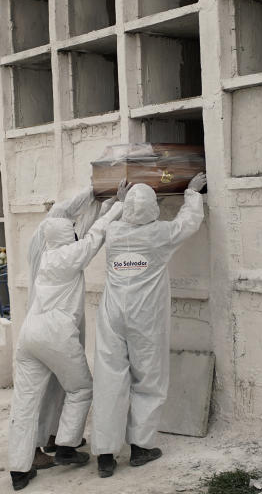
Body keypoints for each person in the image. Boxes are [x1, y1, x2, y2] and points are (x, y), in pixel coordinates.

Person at [7, 181, 130, 491]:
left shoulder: (46, 255)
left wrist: (101, 201)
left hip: (29, 335)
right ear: (68, 235)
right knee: (81, 389)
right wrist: (119, 203)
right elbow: (97, 233)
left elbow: (85, 231)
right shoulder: (70, 255)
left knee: (24, 404)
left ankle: (19, 471)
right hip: (55, 334)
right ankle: (65, 446)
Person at [90, 173, 207, 478]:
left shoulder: (114, 233)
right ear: (153, 209)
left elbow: (103, 221)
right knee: (149, 379)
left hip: (112, 315)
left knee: (108, 380)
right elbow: (188, 224)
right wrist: (192, 193)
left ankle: (105, 454)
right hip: (145, 318)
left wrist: (117, 200)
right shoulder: (159, 234)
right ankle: (141, 448)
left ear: (128, 209)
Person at [24, 187, 113, 470]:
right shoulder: (49, 237)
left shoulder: (55, 240)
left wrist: (103, 202)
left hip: (52, 322)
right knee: (53, 387)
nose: (75, 221)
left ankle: (54, 437)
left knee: (64, 385)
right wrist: (96, 193)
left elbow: (81, 233)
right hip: (52, 324)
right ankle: (36, 447)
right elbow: (87, 236)